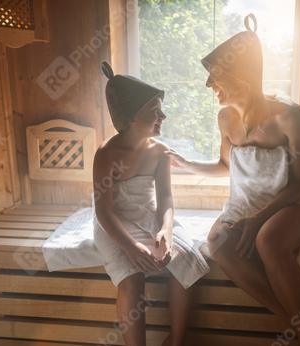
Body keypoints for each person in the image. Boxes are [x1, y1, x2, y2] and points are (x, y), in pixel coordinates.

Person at [166, 15, 300, 346]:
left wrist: (258, 219)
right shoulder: (225, 118)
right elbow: (226, 165)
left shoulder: (289, 116)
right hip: (248, 201)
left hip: (293, 200)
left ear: (243, 77)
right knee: (218, 242)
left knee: (268, 241)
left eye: (216, 75)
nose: (209, 84)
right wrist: (187, 163)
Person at [94, 62, 209, 346]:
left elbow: (166, 197)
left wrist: (165, 232)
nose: (163, 116)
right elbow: (103, 211)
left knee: (187, 260)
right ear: (133, 117)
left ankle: (176, 340)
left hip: (149, 214)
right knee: (133, 280)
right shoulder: (107, 155)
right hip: (115, 222)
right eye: (155, 111)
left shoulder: (159, 152)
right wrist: (131, 247)